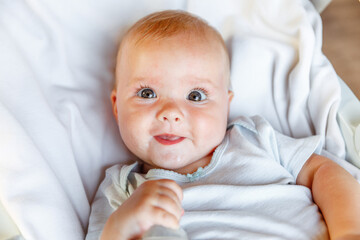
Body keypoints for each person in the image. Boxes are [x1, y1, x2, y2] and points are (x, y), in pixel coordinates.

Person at [86, 10, 360, 240]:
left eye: (196, 96)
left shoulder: (254, 137)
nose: (171, 113)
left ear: (226, 105)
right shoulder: (123, 187)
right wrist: (120, 226)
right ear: (117, 106)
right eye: (147, 94)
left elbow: (323, 172)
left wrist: (349, 231)